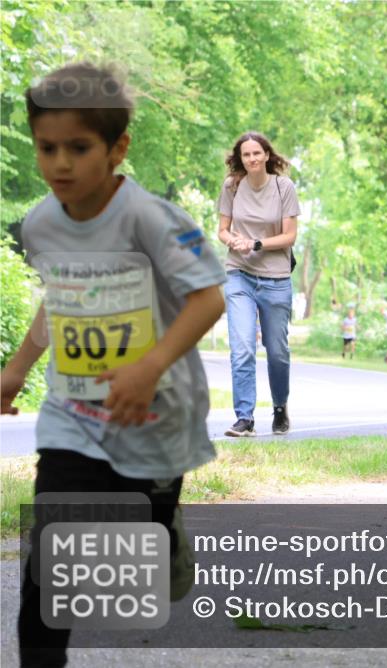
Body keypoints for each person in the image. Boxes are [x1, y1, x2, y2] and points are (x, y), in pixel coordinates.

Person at [1, 63, 226, 667]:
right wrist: (18, 367)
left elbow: (209, 297)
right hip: (71, 415)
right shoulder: (43, 223)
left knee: (129, 562)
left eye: (78, 148)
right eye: (46, 148)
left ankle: (163, 529)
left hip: (152, 416)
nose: (59, 165)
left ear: (117, 146)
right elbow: (61, 297)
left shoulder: (152, 219)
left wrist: (148, 367)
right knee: (50, 565)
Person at [217, 131, 300, 437]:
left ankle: (280, 407)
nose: (251, 159)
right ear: (241, 159)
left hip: (276, 278)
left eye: (256, 153)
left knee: (277, 351)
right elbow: (222, 230)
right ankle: (244, 417)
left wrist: (256, 244)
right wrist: (233, 240)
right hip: (239, 274)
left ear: (267, 155)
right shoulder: (232, 186)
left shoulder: (283, 187)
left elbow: (290, 236)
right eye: (246, 155)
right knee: (242, 348)